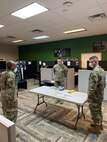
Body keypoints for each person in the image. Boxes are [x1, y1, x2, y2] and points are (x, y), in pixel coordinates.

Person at [88, 56, 106, 134]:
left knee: (94, 110)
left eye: (91, 62)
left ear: (95, 62)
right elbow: (104, 84)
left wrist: (89, 96)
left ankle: (97, 128)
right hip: (100, 95)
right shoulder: (102, 70)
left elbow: (92, 87)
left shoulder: (94, 72)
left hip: (94, 96)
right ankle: (99, 124)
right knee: (99, 109)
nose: (90, 63)